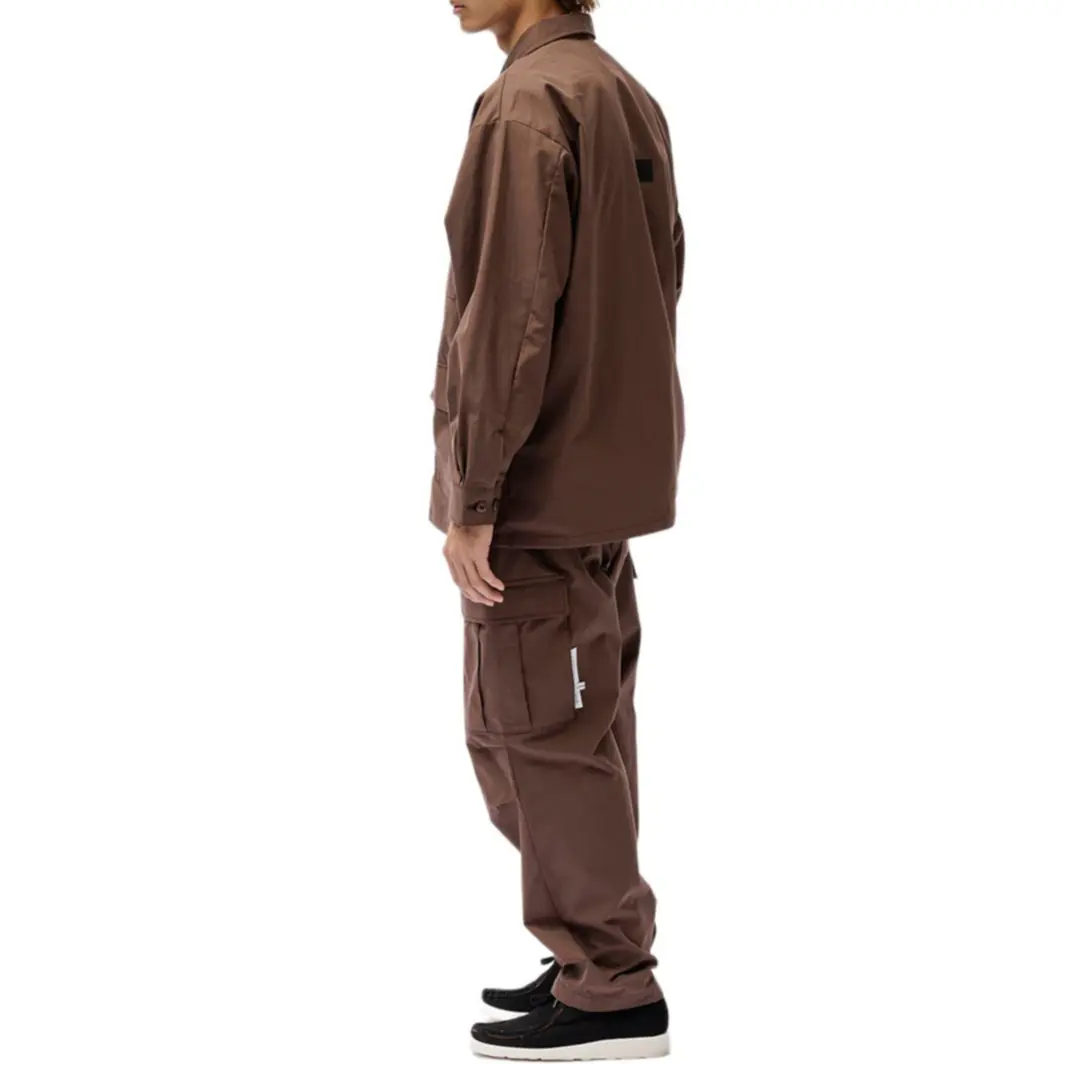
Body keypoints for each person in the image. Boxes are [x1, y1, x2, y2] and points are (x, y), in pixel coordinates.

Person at [429, 0, 685, 1058]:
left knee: (532, 736)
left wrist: (473, 495)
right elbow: (664, 276)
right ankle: (589, 950)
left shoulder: (527, 104)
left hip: (536, 491)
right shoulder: (621, 93)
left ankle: (610, 984)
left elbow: (508, 319)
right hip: (598, 481)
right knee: (584, 731)